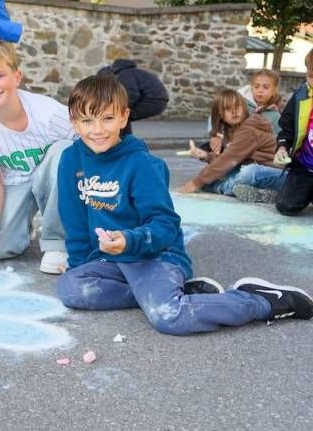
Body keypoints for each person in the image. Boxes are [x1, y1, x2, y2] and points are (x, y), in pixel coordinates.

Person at [55, 75, 312, 335]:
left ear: (124, 117)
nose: (97, 129)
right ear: (74, 122)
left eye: (107, 118)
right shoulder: (70, 159)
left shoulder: (143, 165)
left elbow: (165, 226)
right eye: (87, 120)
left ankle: (263, 301)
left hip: (154, 256)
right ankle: (170, 293)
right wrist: (80, 265)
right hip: (110, 259)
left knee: (169, 317)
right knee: (70, 288)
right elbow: (74, 220)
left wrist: (129, 240)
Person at [0, 38, 76, 274]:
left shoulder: (49, 114)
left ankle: (58, 242)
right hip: (16, 184)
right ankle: (23, 226)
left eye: (0, 75)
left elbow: (89, 149)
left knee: (66, 150)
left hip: (55, 180)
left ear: (16, 77)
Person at [177, 89, 284, 202]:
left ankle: (222, 188)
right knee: (216, 175)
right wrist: (206, 156)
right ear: (220, 114)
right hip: (262, 173)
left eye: (237, 106)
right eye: (228, 109)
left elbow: (228, 160)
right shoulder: (232, 129)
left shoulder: (249, 130)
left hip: (280, 175)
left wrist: (196, 183)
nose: (234, 111)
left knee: (248, 172)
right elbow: (228, 159)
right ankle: (263, 193)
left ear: (244, 107)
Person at [274, 48, 313, 216]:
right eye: (311, 75)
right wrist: (282, 148)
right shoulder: (301, 96)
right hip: (305, 167)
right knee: (286, 206)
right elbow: (286, 129)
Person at [96, 59, 168, 136]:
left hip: (153, 101)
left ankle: (122, 142)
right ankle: (123, 140)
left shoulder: (123, 75)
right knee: (121, 116)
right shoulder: (130, 72)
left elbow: (131, 94)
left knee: (119, 116)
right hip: (156, 100)